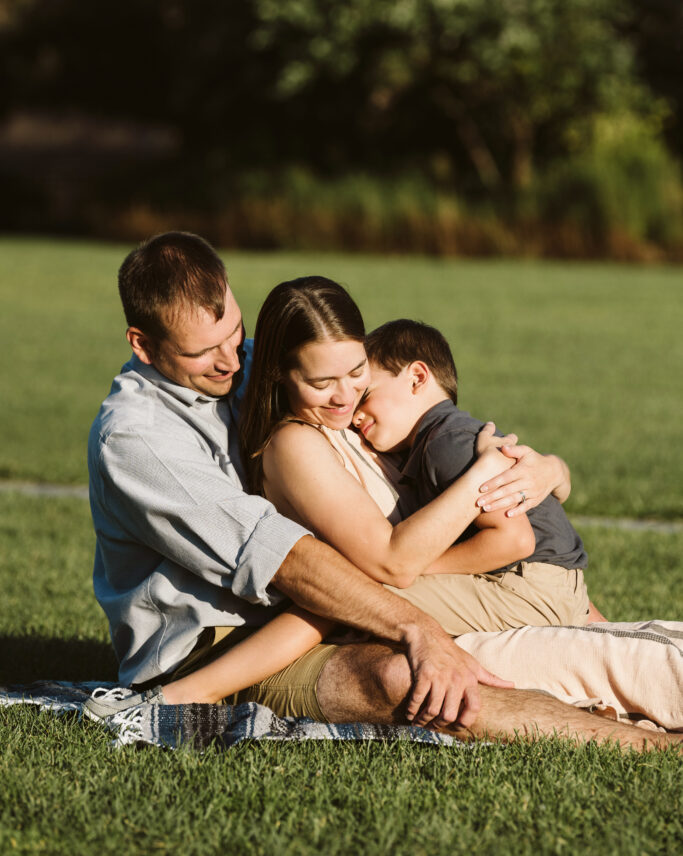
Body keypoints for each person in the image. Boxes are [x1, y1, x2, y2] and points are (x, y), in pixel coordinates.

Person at [86, 233, 679, 748]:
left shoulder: (261, 368)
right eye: (201, 352)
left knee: (449, 662)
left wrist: (548, 469)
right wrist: (414, 625)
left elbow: (383, 389)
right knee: (408, 678)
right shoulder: (136, 440)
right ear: (142, 344)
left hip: (310, 611)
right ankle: (646, 749)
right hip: (216, 643)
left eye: (235, 334)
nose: (229, 362)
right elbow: (285, 562)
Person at [351, 318, 597, 633]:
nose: (355, 415)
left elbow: (514, 540)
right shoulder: (444, 438)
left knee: (360, 599)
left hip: (531, 586)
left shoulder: (444, 443)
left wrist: (420, 566)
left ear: (416, 378)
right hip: (548, 584)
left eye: (366, 394)